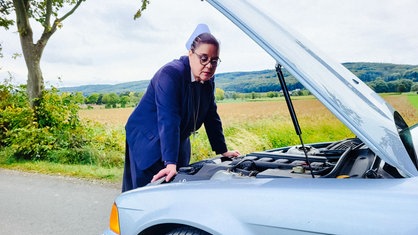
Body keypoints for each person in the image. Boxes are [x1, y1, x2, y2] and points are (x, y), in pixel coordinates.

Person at [122, 24, 240, 192]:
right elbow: (168, 118)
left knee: (176, 189)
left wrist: (223, 150)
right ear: (191, 54)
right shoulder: (170, 74)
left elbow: (211, 115)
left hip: (177, 139)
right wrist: (170, 163)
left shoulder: (208, 79)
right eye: (204, 58)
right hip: (148, 139)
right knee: (145, 192)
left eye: (214, 61)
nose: (209, 65)